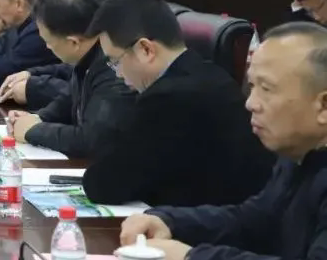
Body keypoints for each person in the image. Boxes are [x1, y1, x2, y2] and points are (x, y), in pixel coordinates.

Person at [120, 22, 327, 260]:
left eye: (267, 89)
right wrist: (169, 221)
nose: (251, 103)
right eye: (252, 86)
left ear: (323, 106)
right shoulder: (298, 155)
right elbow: (252, 221)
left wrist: (192, 256)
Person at [82, 0, 274, 207]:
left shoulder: (169, 99)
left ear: (145, 50)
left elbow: (103, 185)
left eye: (115, 61)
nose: (117, 73)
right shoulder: (210, 72)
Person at [6, 0, 134, 158]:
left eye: (48, 41)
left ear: (73, 42)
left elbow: (92, 139)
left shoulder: (114, 67)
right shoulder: (88, 55)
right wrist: (37, 118)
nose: (47, 47)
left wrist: (35, 131)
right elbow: (70, 99)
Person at [0, 0, 111, 108]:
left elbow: (89, 94)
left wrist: (34, 88)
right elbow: (73, 69)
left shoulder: (116, 41)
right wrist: (32, 73)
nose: (50, 3)